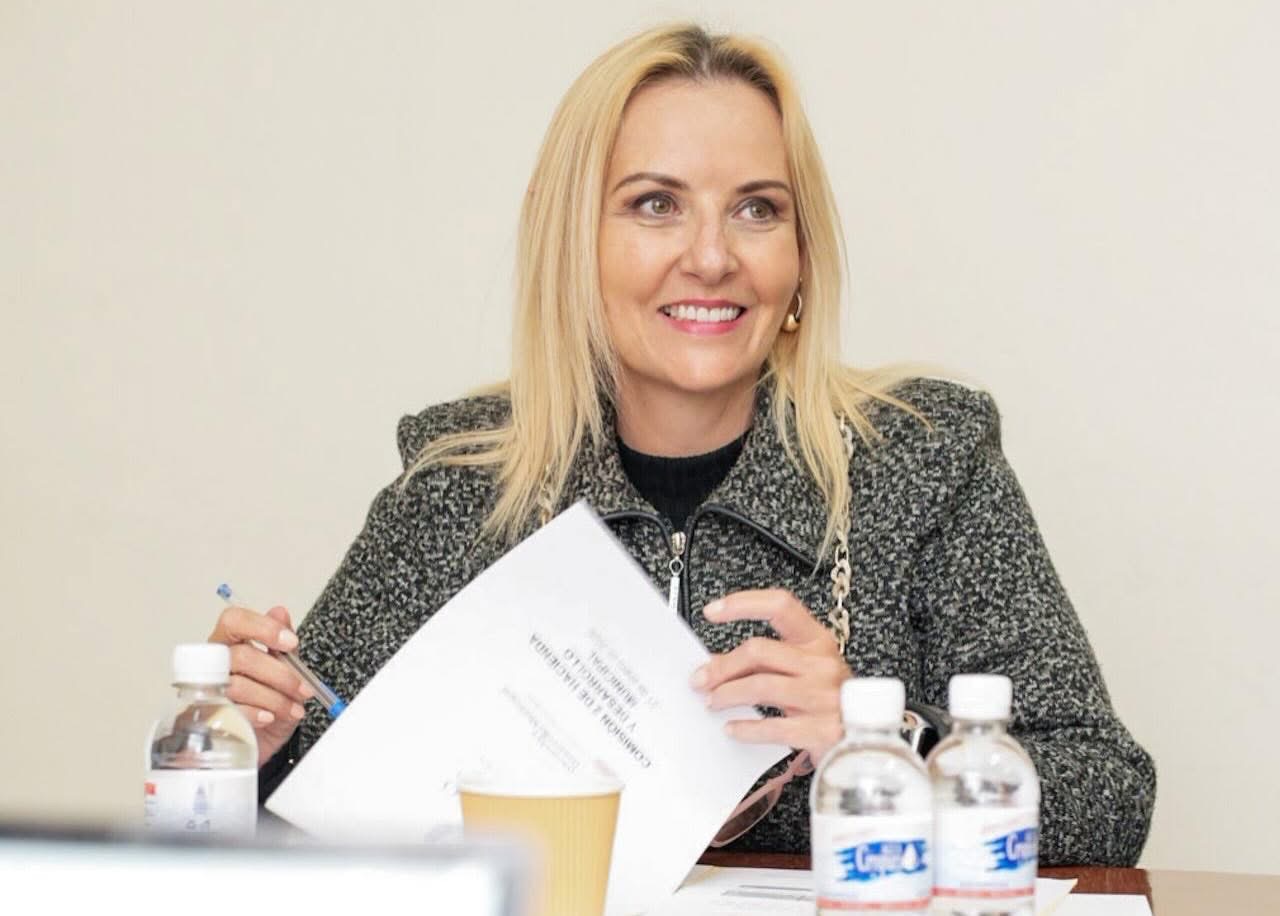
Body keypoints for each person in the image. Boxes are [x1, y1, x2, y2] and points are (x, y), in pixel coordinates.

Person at [208, 22, 1155, 864]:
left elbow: (1108, 797)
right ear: (573, 241)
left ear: (800, 257)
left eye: (757, 208)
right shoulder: (461, 481)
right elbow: (310, 823)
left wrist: (882, 742)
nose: (711, 257)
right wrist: (251, 748)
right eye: (655, 204)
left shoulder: (924, 462)